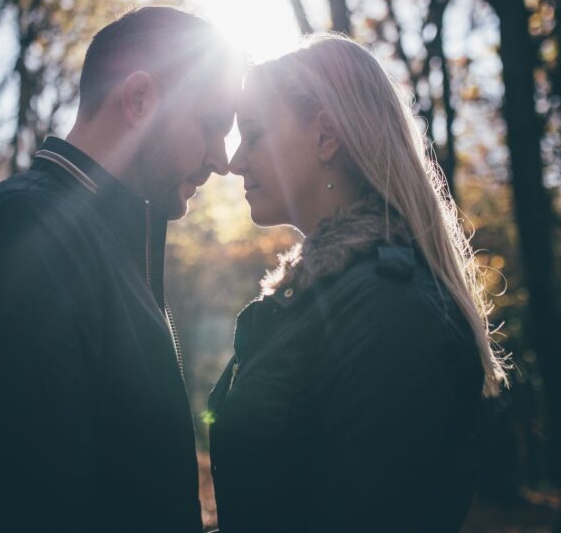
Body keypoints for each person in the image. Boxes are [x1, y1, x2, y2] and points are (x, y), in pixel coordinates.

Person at [0, 7, 242, 532]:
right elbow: (15, 506)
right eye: (210, 126)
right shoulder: (24, 236)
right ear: (139, 101)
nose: (222, 161)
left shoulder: (104, 244)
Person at [207, 34, 508, 532]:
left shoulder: (389, 310)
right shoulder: (321, 298)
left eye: (255, 134)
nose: (235, 161)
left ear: (326, 136)